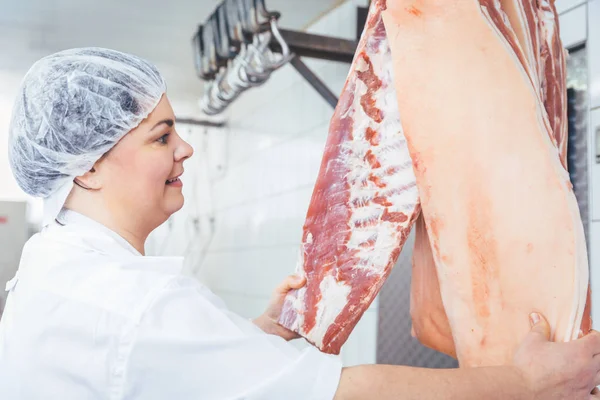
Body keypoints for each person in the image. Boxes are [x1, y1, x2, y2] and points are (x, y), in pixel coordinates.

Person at [0, 47, 598, 400]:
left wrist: (255, 335)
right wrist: (526, 381)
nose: (185, 150)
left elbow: (157, 365)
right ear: (87, 170)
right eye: (162, 136)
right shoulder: (130, 303)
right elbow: (349, 395)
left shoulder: (63, 268)